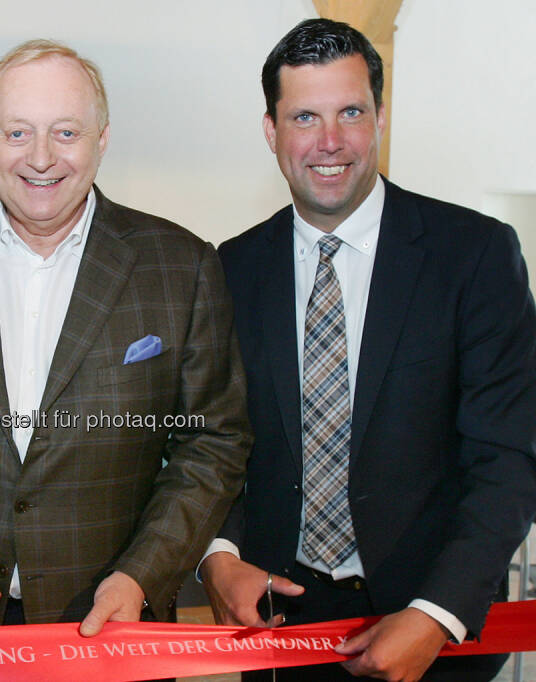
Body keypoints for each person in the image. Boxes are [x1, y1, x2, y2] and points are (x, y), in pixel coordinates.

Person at [0, 39, 251, 633]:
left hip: (110, 625)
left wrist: (143, 575)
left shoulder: (180, 266)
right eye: (17, 133)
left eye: (65, 133)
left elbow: (213, 443)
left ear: (102, 139)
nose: (41, 158)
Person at [201, 19, 536, 681]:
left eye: (350, 112)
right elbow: (217, 444)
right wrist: (218, 555)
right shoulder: (229, 270)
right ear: (271, 131)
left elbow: (509, 455)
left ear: (380, 117)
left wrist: (437, 613)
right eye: (305, 117)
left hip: (434, 633)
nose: (330, 142)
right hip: (281, 631)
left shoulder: (474, 255)